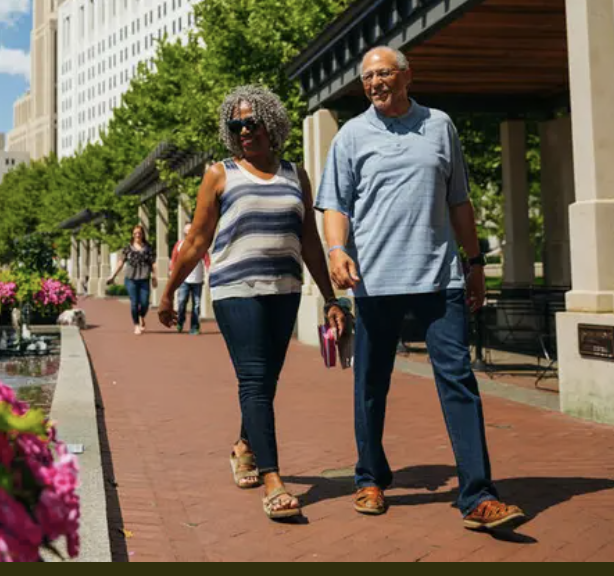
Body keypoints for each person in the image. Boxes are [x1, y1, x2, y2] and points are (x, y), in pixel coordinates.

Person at [318, 45, 529, 533]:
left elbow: (459, 201)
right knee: (371, 384)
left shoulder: (439, 125)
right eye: (367, 77)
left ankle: (478, 495)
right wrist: (335, 250)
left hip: (439, 279)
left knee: (458, 380)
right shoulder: (351, 135)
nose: (374, 83)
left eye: (383, 73)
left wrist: (474, 263)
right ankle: (369, 477)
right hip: (374, 282)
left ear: (407, 75)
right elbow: (336, 206)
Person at [157, 84, 346, 521]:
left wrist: (332, 299)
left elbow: (310, 243)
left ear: (272, 124)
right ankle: (274, 480)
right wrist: (169, 291)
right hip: (234, 290)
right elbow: (196, 239)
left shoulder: (295, 175)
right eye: (235, 125)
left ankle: (244, 445)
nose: (244, 131)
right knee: (255, 379)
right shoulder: (220, 174)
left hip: (285, 291)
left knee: (267, 381)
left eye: (251, 122)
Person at [108, 225, 157, 335]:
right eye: (135, 233)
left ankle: (141, 316)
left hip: (144, 278)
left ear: (143, 234)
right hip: (131, 279)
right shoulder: (128, 248)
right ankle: (136, 325)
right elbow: (121, 263)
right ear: (132, 235)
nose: (137, 235)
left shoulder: (148, 248)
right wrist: (113, 275)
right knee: (134, 303)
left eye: (139, 233)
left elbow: (153, 263)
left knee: (144, 303)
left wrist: (154, 276)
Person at [170, 238, 210, 334]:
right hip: (184, 279)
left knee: (196, 304)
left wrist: (209, 270)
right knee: (182, 301)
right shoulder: (180, 244)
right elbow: (174, 259)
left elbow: (207, 259)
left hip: (197, 279)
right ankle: (180, 321)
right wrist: (172, 272)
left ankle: (194, 327)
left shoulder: (201, 244)